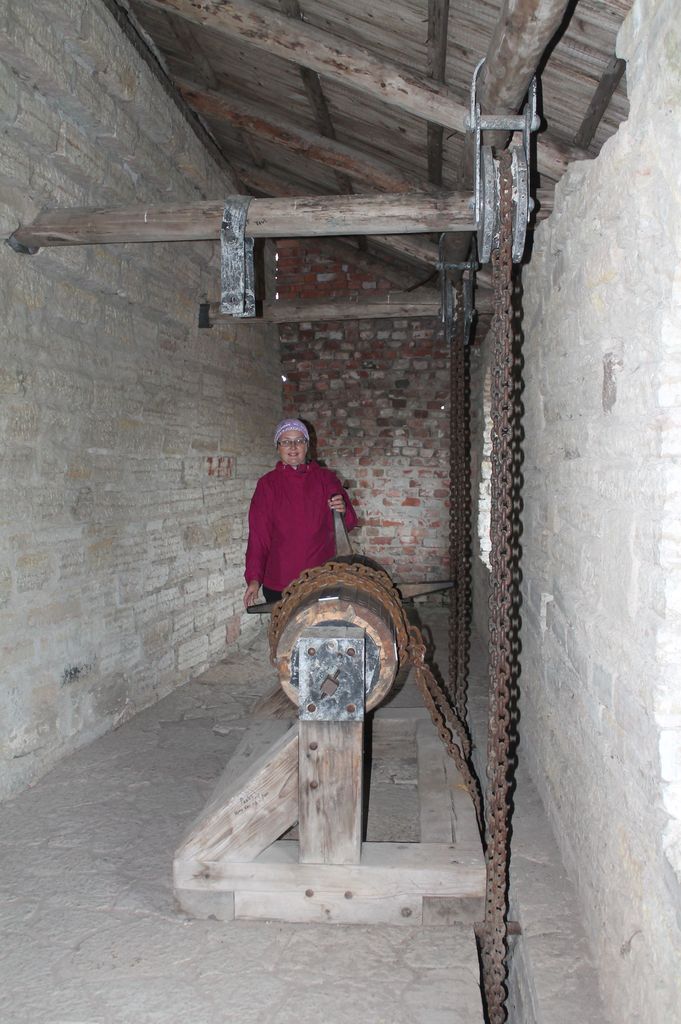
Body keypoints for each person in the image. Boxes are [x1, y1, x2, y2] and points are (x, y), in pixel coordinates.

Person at [243, 418, 358, 607]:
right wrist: (254, 578)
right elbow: (258, 537)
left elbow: (348, 523)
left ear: (307, 445)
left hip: (321, 577)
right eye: (286, 441)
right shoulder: (267, 485)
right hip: (280, 581)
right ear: (277, 447)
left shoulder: (326, 479)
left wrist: (342, 511)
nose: (293, 447)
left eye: (299, 440)